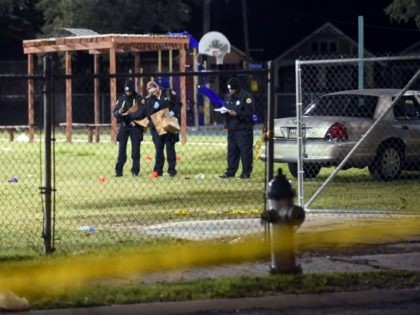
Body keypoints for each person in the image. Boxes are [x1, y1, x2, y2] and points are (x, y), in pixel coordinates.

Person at [219, 77, 254, 179]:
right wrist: (225, 120)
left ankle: (246, 172)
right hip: (232, 129)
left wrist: (236, 113)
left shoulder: (246, 97)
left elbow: (249, 113)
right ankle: (230, 172)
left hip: (243, 129)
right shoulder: (227, 97)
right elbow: (226, 111)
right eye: (229, 89)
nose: (230, 91)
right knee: (232, 151)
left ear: (237, 88)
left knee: (245, 151)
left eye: (232, 89)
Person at [145, 80, 181, 177]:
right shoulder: (149, 99)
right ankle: (158, 170)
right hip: (156, 126)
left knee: (170, 147)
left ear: (157, 87)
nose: (154, 93)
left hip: (168, 123)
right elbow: (148, 114)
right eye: (151, 93)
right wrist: (154, 108)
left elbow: (178, 104)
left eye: (155, 91)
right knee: (159, 148)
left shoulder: (168, 93)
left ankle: (172, 170)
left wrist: (173, 111)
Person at [112, 79, 147, 177]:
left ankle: (135, 171)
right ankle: (118, 172)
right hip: (124, 125)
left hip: (135, 127)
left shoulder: (139, 98)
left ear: (133, 90)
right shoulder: (122, 99)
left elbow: (141, 113)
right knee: (121, 150)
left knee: (135, 151)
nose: (128, 93)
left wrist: (128, 116)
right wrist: (119, 112)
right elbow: (114, 113)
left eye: (130, 91)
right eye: (126, 91)